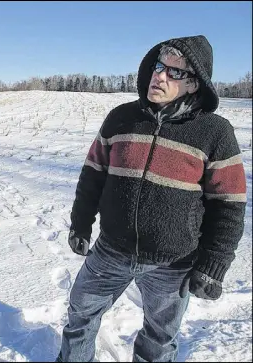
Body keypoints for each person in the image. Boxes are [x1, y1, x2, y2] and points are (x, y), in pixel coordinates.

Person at [57, 35, 247, 362]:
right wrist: (80, 224)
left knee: (159, 338)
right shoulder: (121, 118)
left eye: (174, 72)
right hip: (111, 249)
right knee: (81, 316)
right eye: (160, 66)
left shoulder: (215, 132)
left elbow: (229, 204)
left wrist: (214, 263)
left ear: (193, 84)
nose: (159, 76)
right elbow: (92, 175)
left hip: (173, 261)